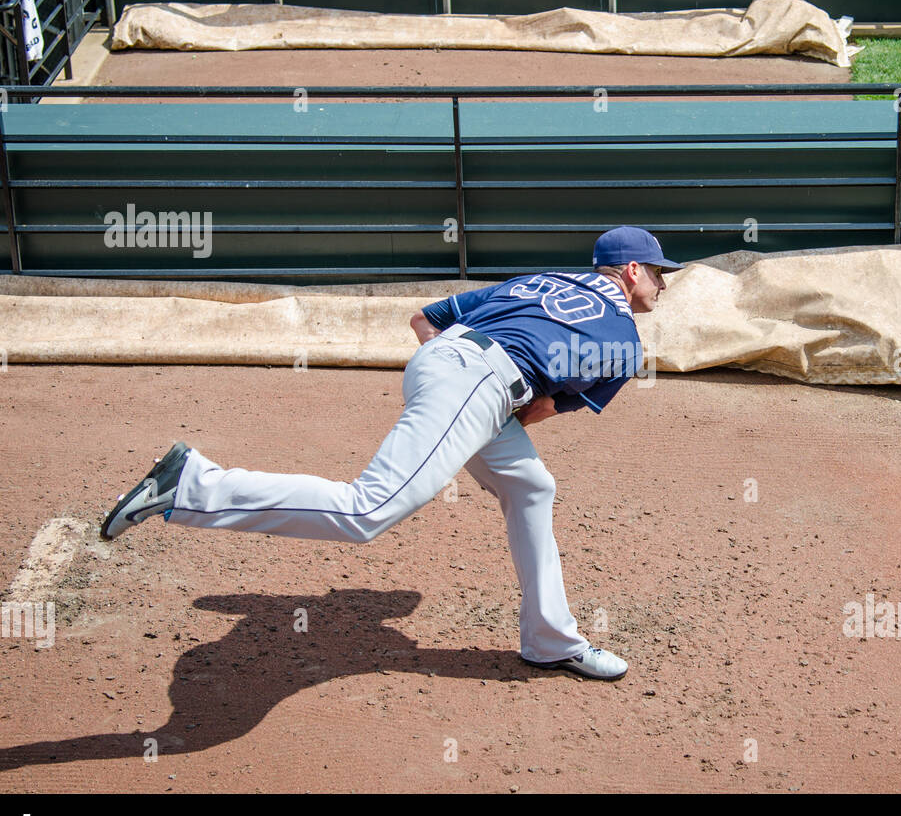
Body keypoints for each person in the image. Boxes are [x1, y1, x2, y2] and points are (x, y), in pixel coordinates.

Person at [100, 226, 682, 681]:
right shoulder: (624, 339)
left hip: (443, 360)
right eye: (658, 273)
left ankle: (551, 641)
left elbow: (425, 319)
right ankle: (194, 484)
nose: (662, 284)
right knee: (366, 511)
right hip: (481, 385)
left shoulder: (540, 280)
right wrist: (470, 390)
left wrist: (449, 377)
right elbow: (538, 412)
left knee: (532, 487)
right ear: (631, 271)